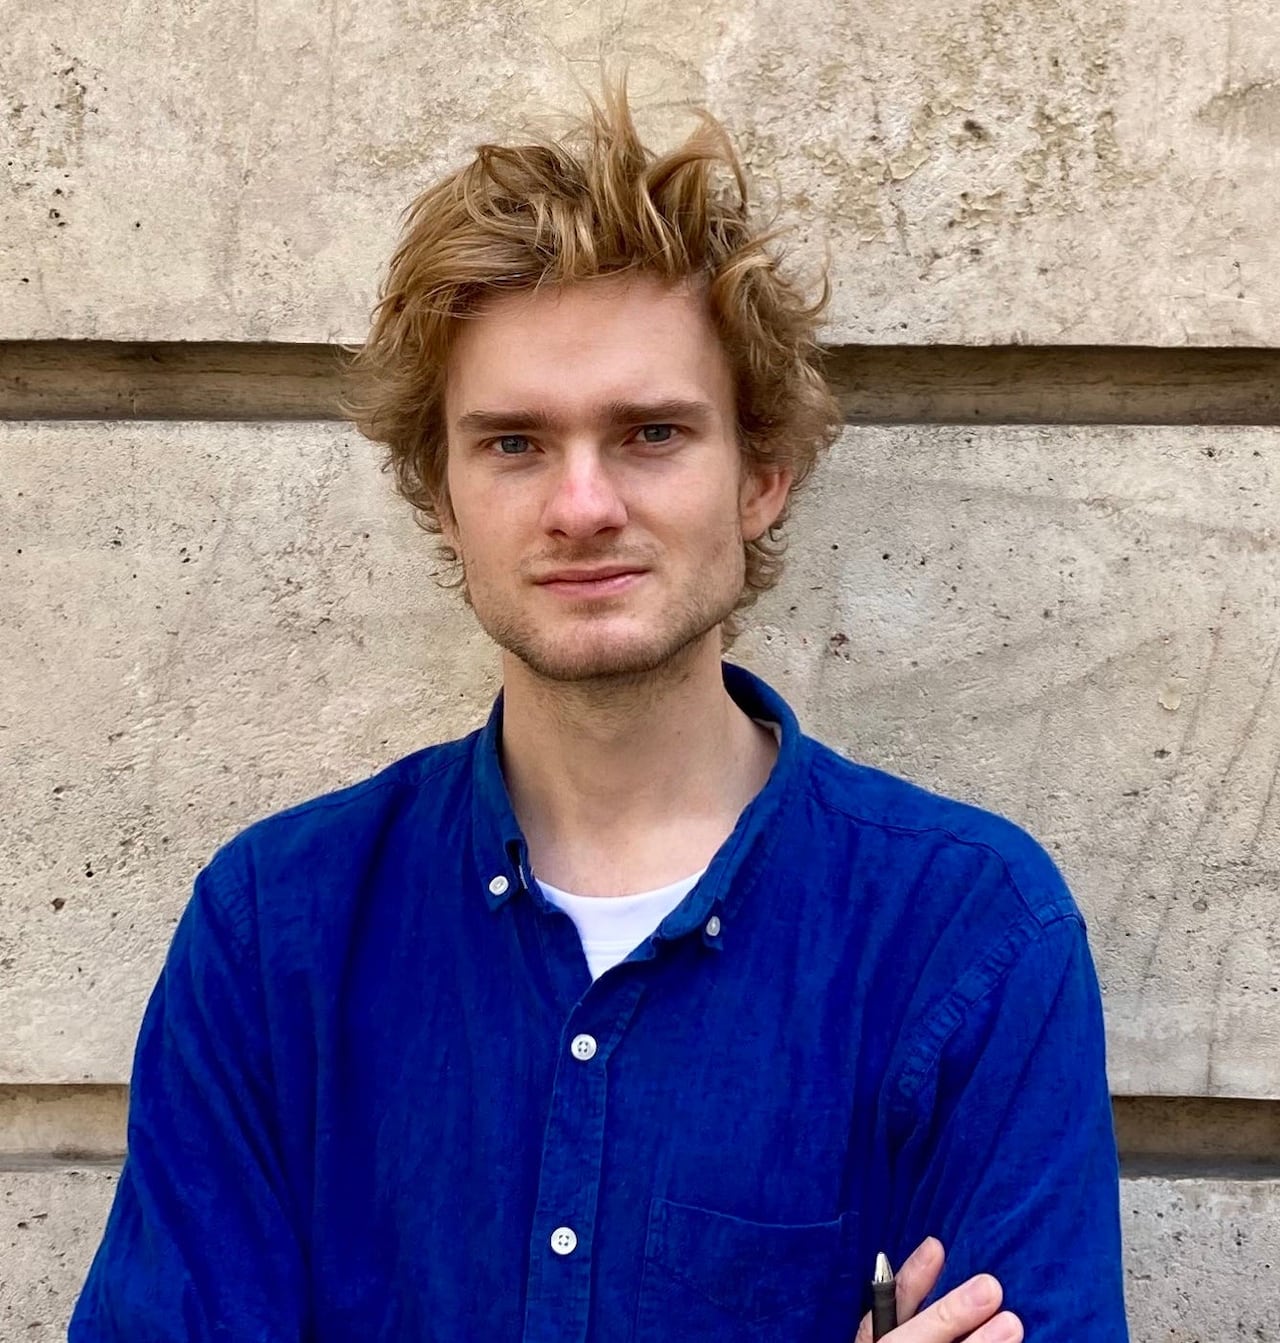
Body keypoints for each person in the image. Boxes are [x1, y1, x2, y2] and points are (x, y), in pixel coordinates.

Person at [70, 83, 1128, 1342]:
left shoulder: (966, 932)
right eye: (513, 443)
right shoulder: (276, 930)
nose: (580, 506)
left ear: (761, 474)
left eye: (650, 432)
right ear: (442, 494)